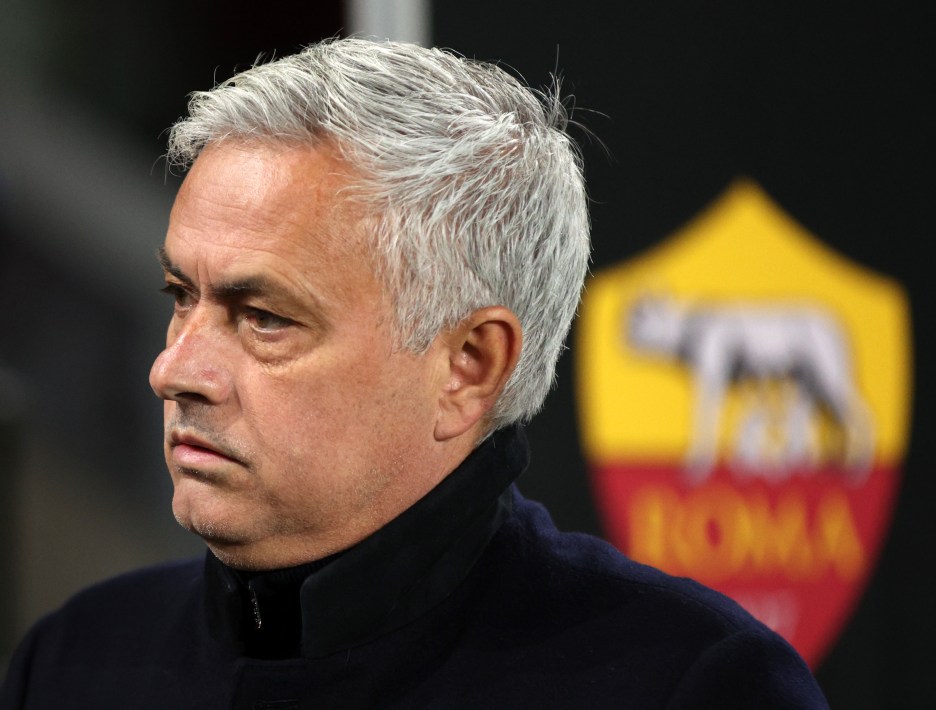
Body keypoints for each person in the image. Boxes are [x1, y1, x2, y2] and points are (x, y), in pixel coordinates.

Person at [0, 38, 827, 708]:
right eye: (180, 297)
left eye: (264, 318)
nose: (173, 369)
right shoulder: (75, 661)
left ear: (469, 367)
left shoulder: (693, 686)